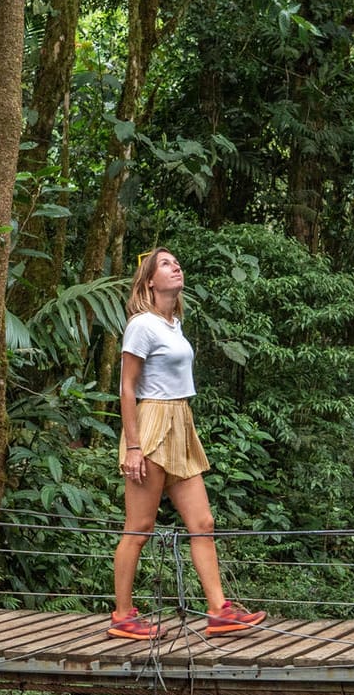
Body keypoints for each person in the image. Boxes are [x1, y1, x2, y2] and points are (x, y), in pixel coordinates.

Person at [107, 247, 267, 640]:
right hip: (152, 422)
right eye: (165, 263)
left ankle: (219, 611)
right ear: (149, 281)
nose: (175, 266)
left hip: (181, 422)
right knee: (140, 526)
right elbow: (127, 389)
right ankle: (122, 616)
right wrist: (132, 446)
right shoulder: (142, 325)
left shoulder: (173, 324)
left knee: (203, 523)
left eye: (177, 261)